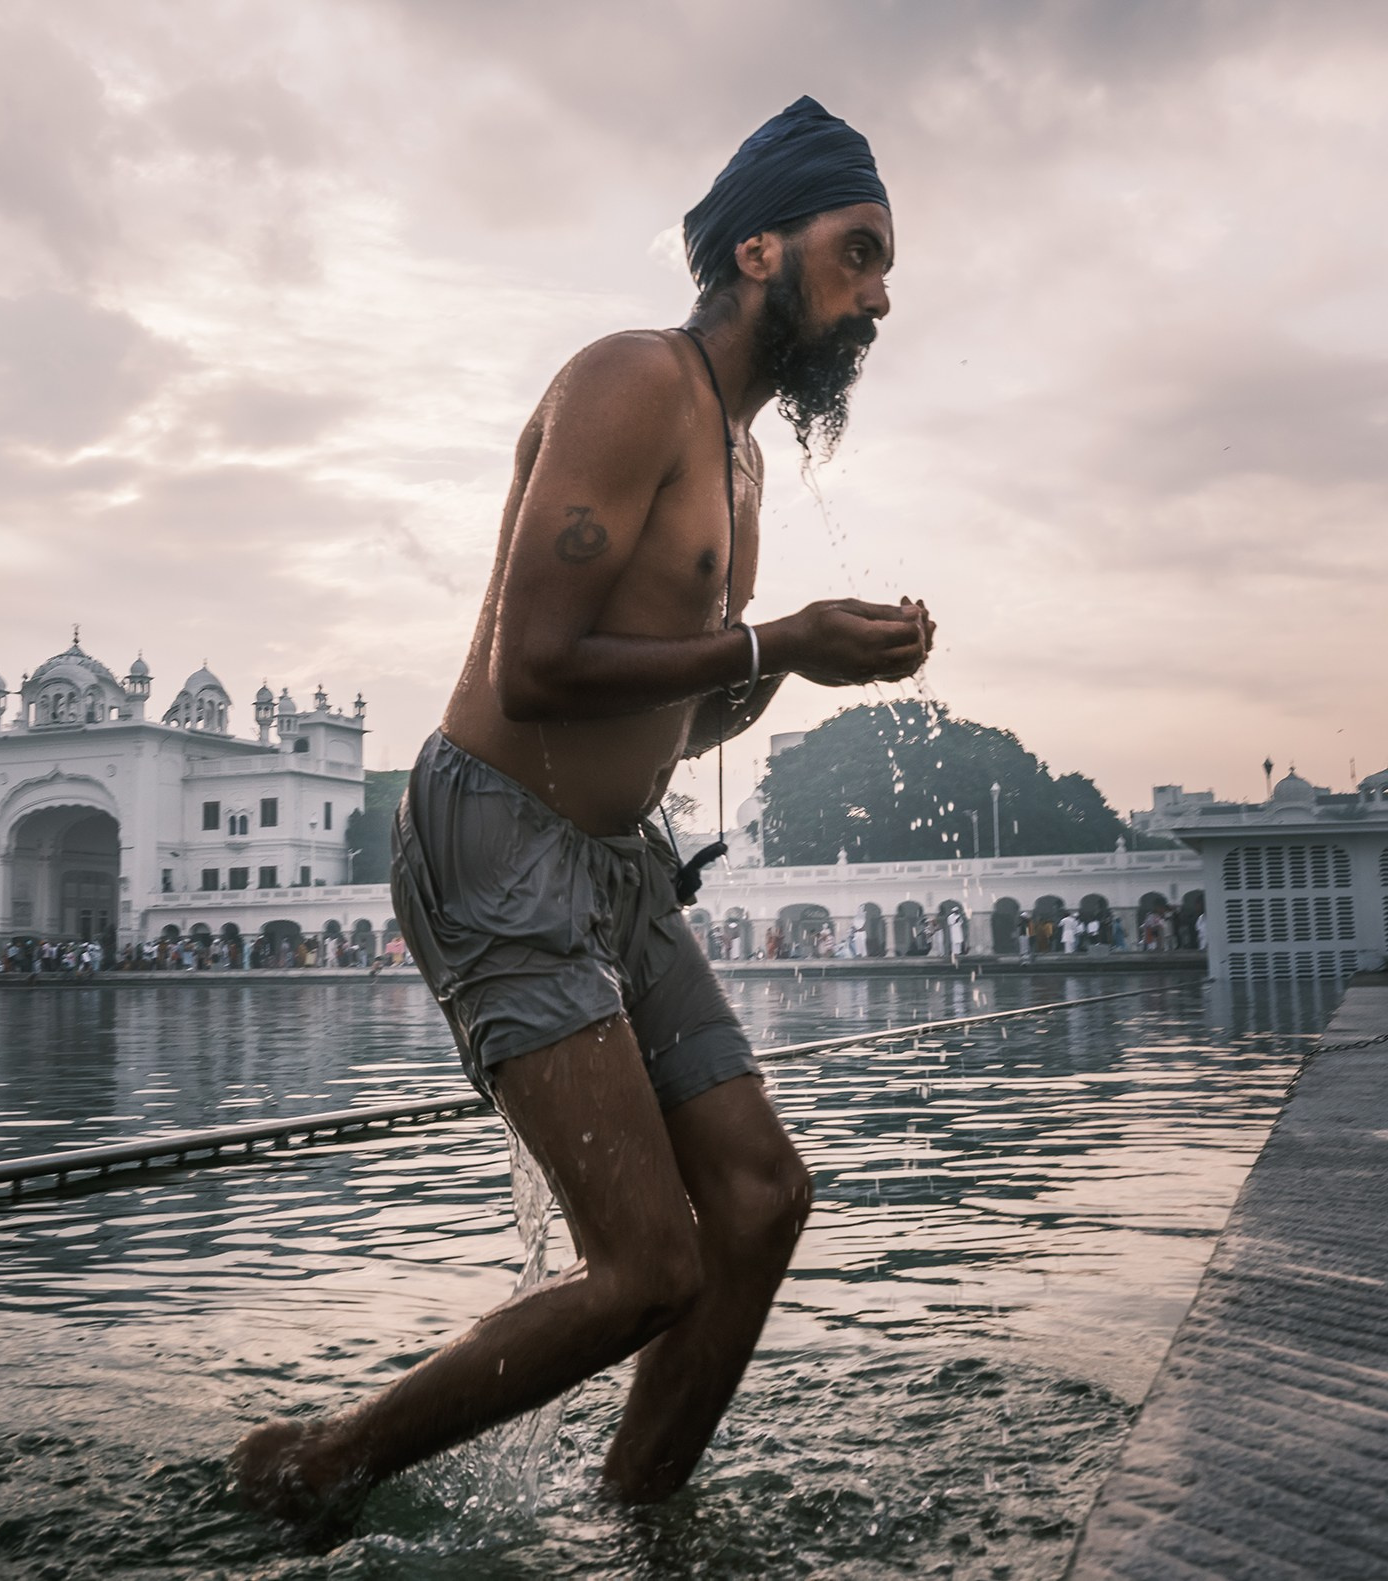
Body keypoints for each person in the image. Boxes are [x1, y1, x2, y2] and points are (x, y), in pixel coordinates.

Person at [233, 96, 932, 1518]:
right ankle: (309, 1469)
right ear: (758, 251)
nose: (878, 296)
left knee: (758, 1201)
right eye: (858, 255)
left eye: (885, 268)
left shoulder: (738, 462)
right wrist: (775, 640)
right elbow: (535, 667)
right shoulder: (631, 380)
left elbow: (686, 701)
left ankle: (633, 1513)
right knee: (647, 1264)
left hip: (616, 860)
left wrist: (807, 662)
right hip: (494, 829)